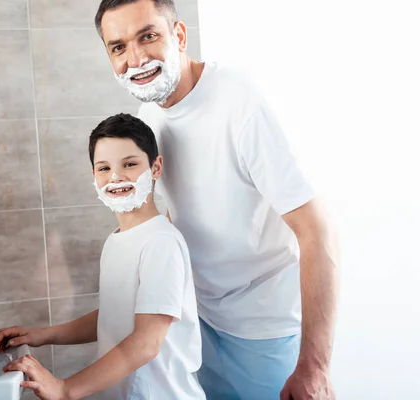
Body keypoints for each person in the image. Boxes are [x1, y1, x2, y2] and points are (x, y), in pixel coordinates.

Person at [95, 1, 340, 399]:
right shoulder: (149, 117)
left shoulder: (239, 102)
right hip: (202, 325)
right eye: (118, 47)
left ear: (178, 35)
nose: (135, 58)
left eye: (148, 36)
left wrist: (315, 366)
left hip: (264, 330)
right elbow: (175, 218)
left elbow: (318, 233)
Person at [0, 113, 206, 400]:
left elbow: (145, 343)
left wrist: (65, 389)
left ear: (155, 168)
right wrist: (42, 335)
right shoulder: (117, 239)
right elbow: (114, 316)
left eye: (129, 164)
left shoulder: (161, 243)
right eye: (104, 168)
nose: (115, 177)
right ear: (93, 176)